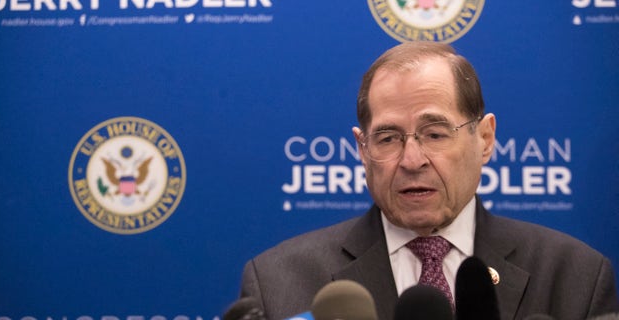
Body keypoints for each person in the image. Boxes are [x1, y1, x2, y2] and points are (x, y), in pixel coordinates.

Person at [239, 41, 619, 320]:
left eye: (435, 134)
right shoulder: (278, 283)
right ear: (361, 148)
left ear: (484, 139)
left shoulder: (574, 276)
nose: (412, 160)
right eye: (388, 138)